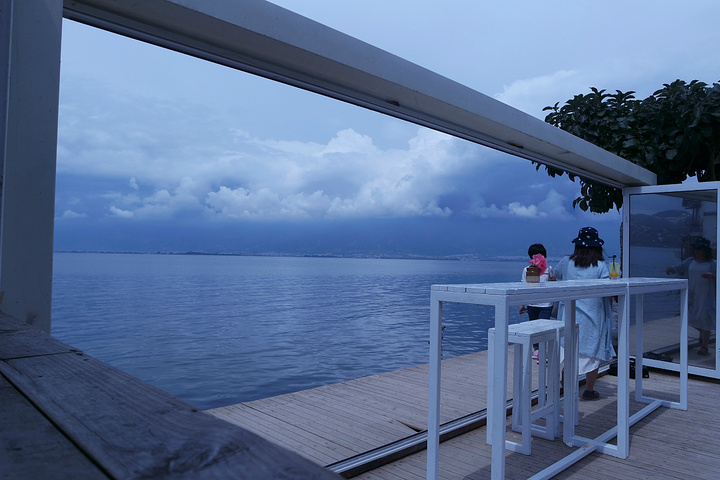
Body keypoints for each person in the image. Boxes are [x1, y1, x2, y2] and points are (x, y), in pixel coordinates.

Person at [555, 227, 616, 400]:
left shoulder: (566, 262)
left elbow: (557, 275)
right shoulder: (600, 265)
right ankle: (589, 390)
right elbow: (607, 289)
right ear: (597, 247)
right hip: (593, 315)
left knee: (569, 352)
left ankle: (568, 391)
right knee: (592, 353)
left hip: (569, 314)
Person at [666, 237, 716, 356]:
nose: (697, 251)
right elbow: (678, 268)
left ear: (705, 250)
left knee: (705, 320)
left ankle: (704, 346)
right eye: (695, 248)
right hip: (693, 296)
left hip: (706, 297)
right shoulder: (690, 261)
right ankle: (703, 334)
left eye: (700, 249)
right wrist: (671, 270)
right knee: (691, 319)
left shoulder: (713, 264)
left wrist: (713, 276)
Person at [519, 244, 556, 359]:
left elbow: (553, 284)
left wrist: (554, 281)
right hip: (532, 302)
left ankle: (542, 349)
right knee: (533, 326)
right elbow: (524, 287)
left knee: (543, 326)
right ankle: (536, 349)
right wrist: (522, 304)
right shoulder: (527, 270)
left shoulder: (548, 269)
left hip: (546, 303)